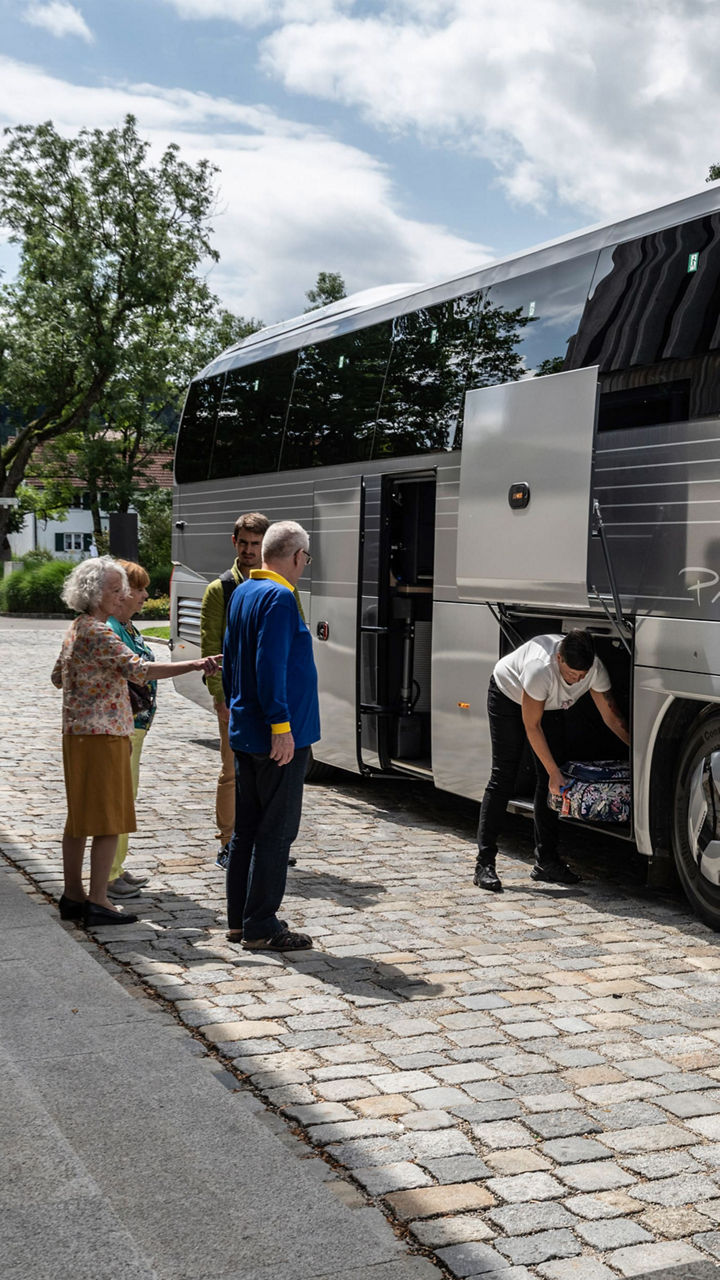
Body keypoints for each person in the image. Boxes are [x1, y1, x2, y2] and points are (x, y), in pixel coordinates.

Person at [52, 556, 221, 927]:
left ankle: (72, 895)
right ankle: (98, 900)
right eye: (116, 590)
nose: (122, 596)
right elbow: (139, 671)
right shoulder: (99, 631)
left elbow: (57, 677)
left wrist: (89, 681)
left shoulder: (76, 628)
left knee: (79, 819)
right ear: (95, 594)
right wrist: (193, 664)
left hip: (77, 734)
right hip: (105, 734)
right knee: (110, 821)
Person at [222, 521, 320, 951]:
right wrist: (282, 726)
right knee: (276, 832)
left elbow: (231, 661)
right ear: (297, 556)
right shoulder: (280, 596)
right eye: (306, 559)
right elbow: (269, 663)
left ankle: (240, 920)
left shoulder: (243, 589)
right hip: (277, 734)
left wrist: (239, 709)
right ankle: (261, 924)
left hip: (245, 728)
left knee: (246, 829)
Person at [474, 629, 630, 893]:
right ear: (559, 658)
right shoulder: (539, 669)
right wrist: (553, 771)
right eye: (571, 675)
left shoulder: (594, 669)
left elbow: (612, 718)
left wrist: (636, 752)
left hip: (551, 705)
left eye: (581, 677)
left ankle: (546, 862)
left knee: (550, 784)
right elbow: (532, 726)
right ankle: (484, 864)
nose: (576, 680)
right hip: (508, 696)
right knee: (504, 776)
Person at [201, 513, 269, 861]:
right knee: (232, 772)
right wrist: (220, 697)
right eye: (243, 542)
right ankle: (229, 842)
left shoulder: (281, 586)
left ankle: (264, 844)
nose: (248, 550)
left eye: (255, 544)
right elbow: (210, 647)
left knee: (268, 774)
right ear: (234, 542)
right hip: (235, 697)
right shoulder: (221, 589)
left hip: (269, 696)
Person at [106, 559, 156, 900]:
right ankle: (109, 874)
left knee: (128, 797)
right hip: (123, 727)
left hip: (135, 727)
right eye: (137, 589)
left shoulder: (128, 626)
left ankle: (117, 867)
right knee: (119, 799)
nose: (144, 595)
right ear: (119, 594)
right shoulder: (112, 628)